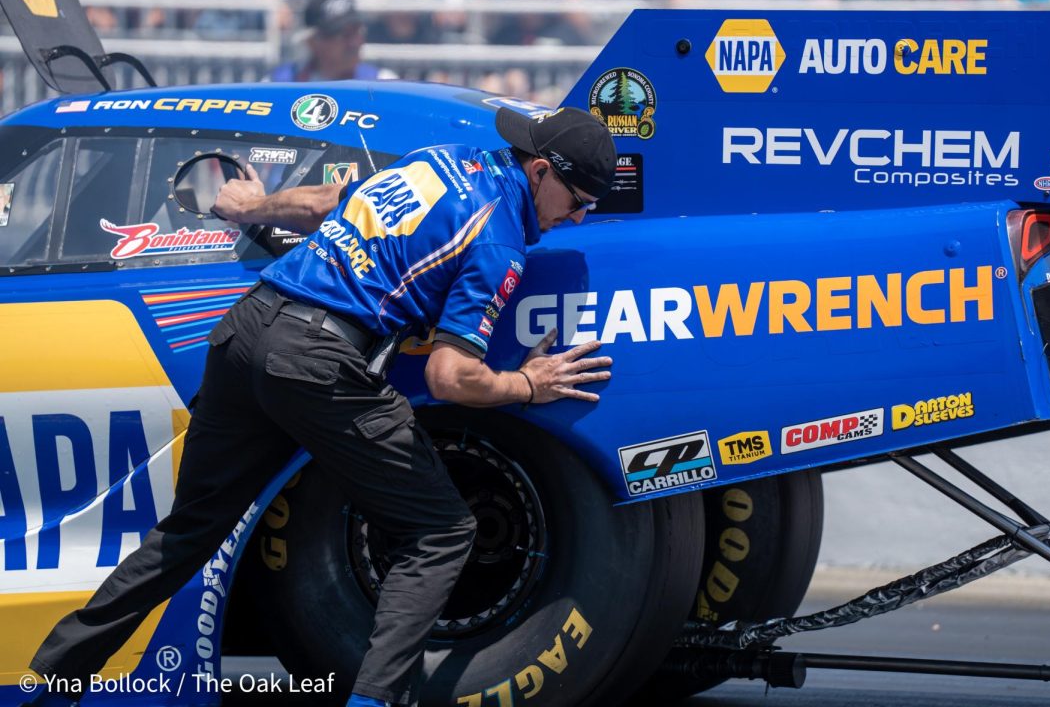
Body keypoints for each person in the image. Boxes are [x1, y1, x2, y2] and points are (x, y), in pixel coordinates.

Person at [23, 105, 617, 707]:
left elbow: (327, 203)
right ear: (539, 170)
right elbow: (449, 375)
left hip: (246, 330)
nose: (579, 217)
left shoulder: (439, 161)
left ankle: (48, 685)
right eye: (577, 202)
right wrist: (528, 384)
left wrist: (251, 207)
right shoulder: (497, 242)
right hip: (316, 363)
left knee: (189, 532)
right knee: (443, 529)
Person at [269, 0, 399, 81]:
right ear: (312, 42)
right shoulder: (278, 84)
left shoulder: (383, 82)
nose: (354, 43)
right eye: (343, 35)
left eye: (357, 32)